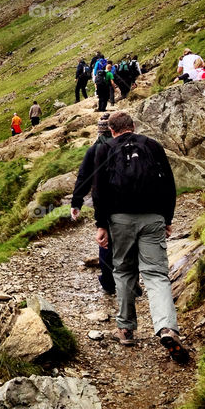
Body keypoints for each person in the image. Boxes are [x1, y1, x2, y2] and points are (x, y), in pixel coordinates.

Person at [92, 111, 188, 363]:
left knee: (123, 270)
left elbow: (99, 188)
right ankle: (167, 328)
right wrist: (167, 218)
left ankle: (125, 329)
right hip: (153, 217)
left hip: (119, 219)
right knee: (156, 274)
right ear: (133, 127)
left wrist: (101, 224)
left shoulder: (105, 148)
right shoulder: (152, 145)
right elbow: (169, 183)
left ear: (112, 130)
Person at [71, 113, 116, 294]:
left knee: (105, 242)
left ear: (99, 131)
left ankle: (108, 282)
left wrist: (76, 202)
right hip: (129, 202)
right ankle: (130, 281)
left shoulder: (94, 150)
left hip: (104, 202)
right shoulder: (124, 146)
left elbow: (83, 177)